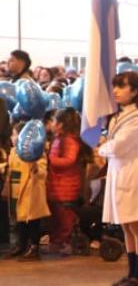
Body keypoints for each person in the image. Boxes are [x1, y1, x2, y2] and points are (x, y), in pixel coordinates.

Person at [98, 72, 138, 286]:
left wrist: (103, 148)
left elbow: (118, 146)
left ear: (134, 91)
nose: (116, 91)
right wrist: (106, 145)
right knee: (126, 224)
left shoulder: (137, 117)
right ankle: (131, 271)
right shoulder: (119, 115)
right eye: (115, 86)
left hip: (132, 170)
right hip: (119, 169)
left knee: (136, 223)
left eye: (121, 86)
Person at [5, 122, 49, 261]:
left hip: (29, 192)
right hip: (15, 191)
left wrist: (36, 169)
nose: (12, 137)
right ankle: (21, 246)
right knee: (19, 221)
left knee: (32, 222)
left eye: (14, 134)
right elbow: (10, 168)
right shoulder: (13, 152)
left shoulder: (36, 153)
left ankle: (34, 247)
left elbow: (42, 172)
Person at [46, 108, 84, 256]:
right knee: (56, 217)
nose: (52, 124)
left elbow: (70, 159)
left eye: (54, 121)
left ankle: (64, 242)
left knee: (64, 218)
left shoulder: (69, 140)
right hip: (57, 185)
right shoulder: (59, 139)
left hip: (66, 186)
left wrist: (51, 160)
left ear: (60, 124)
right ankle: (56, 242)